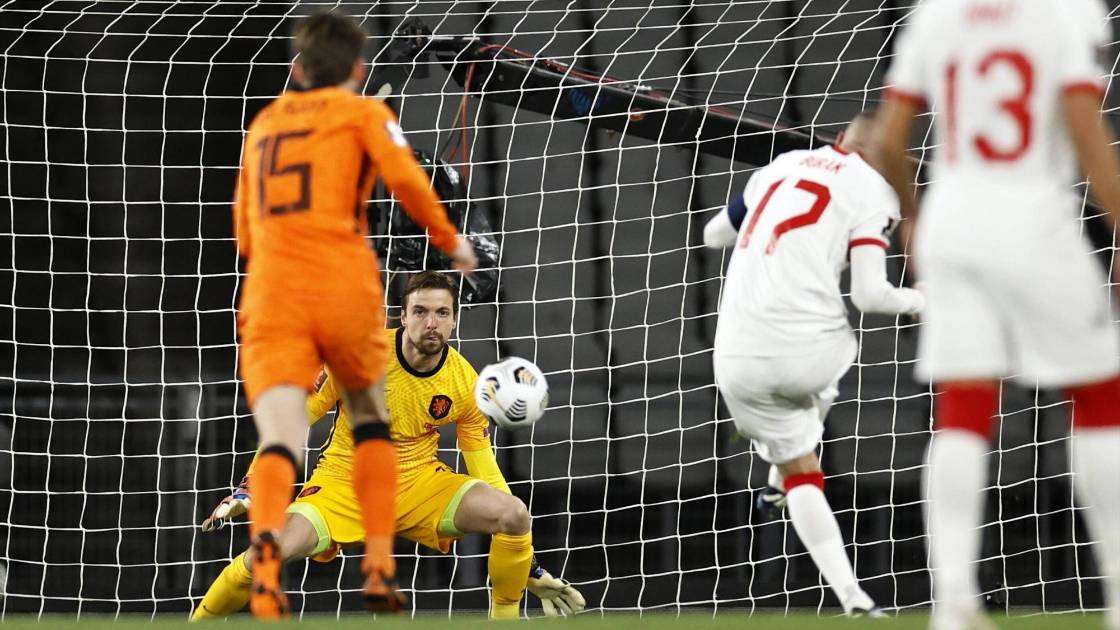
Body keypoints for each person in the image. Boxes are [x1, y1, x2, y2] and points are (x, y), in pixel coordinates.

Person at [874, 1, 1120, 628]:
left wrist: (913, 218)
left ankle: (953, 601)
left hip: (951, 223)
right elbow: (1083, 124)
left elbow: (887, 138)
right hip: (1035, 220)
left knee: (963, 406)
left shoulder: (938, 12)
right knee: (1099, 396)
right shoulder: (1068, 10)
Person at [232, 11, 477, 618]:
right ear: (359, 69)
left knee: (282, 435)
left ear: (298, 69)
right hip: (342, 285)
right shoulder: (365, 113)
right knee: (369, 419)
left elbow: (244, 229)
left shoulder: (264, 124)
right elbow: (409, 182)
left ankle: (266, 571)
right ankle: (378, 567)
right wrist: (451, 241)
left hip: (271, 292)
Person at [195, 272, 585, 620]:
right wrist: (250, 485)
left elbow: (485, 468)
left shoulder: (465, 383)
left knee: (514, 514)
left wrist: (528, 564)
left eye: (442, 313)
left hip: (419, 485)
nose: (431, 323)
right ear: (403, 317)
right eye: (420, 312)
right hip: (344, 485)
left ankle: (505, 619)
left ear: (454, 320)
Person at [704, 113, 924, 617]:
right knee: (836, 342)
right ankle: (786, 477)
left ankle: (852, 597)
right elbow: (870, 296)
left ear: (840, 138)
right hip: (810, 353)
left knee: (801, 470)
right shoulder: (876, 190)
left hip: (736, 358)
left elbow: (715, 234)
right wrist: (922, 300)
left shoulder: (780, 165)